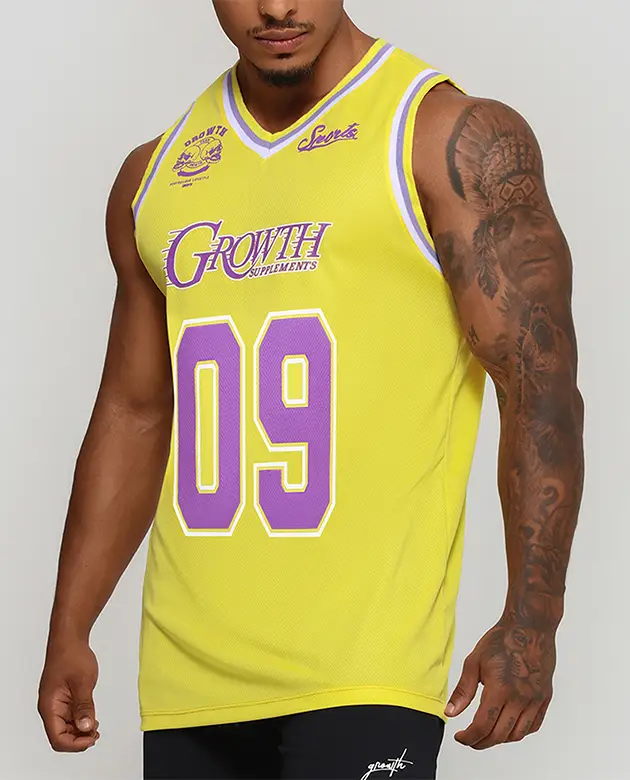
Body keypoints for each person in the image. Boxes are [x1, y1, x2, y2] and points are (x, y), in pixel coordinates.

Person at [37, 2, 585, 778]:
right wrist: (71, 625)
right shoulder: (155, 175)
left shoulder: (441, 136)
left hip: (366, 671)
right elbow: (135, 410)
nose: (275, 6)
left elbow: (539, 385)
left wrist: (533, 620)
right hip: (187, 683)